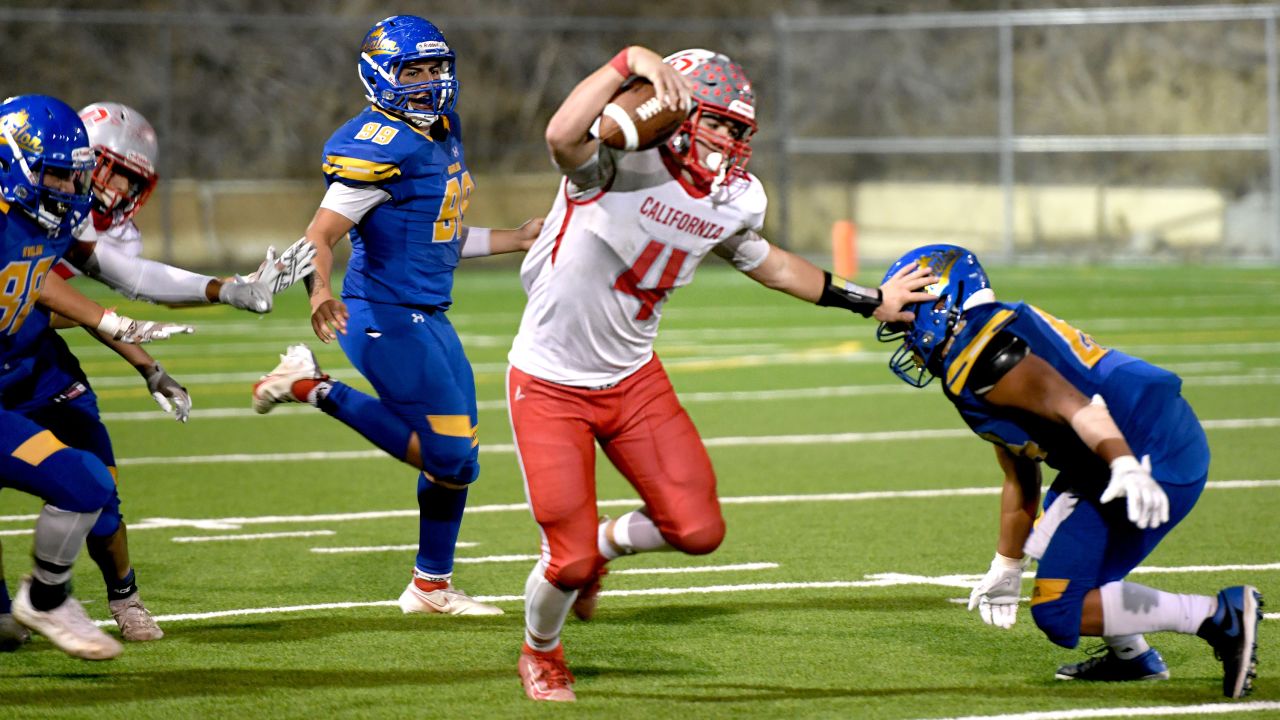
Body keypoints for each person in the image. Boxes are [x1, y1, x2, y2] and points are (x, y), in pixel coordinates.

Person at [505, 46, 939, 702]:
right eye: (720, 124)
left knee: (698, 529)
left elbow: (772, 265)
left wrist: (871, 300)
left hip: (632, 380)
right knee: (562, 563)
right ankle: (542, 652)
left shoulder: (733, 197)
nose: (731, 143)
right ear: (673, 110)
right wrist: (630, 62)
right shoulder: (617, 163)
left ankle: (604, 545)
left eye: (741, 131)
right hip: (549, 383)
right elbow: (561, 134)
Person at [874, 243, 1262, 699]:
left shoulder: (983, 351)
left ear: (941, 301)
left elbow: (1077, 408)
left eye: (906, 319)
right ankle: (1132, 657)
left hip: (1145, 451)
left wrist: (1125, 465)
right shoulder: (978, 340)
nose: (905, 335)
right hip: (1118, 450)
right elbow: (1019, 470)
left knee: (1058, 609)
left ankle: (1218, 615)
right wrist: (1007, 563)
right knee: (1049, 543)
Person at [251, 15, 540, 617]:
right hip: (380, 313)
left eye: (437, 68)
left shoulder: (442, 131)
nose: (431, 81)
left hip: (428, 313)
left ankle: (430, 586)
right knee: (449, 455)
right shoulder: (376, 144)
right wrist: (318, 292)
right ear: (381, 76)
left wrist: (515, 238)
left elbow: (434, 236)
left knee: (460, 463)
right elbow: (320, 234)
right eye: (415, 70)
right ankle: (312, 385)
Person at [0, 100, 314, 647]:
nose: (92, 189)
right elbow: (38, 286)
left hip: (30, 360)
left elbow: (130, 276)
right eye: (71, 172)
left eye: (83, 175)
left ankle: (97, 598)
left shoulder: (55, 212)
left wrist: (226, 290)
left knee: (92, 484)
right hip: (18, 356)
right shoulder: (22, 213)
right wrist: (110, 320)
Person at [0, 94, 192, 660]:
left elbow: (48, 279)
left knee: (89, 483)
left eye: (77, 177)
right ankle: (50, 599)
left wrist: (141, 346)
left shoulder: (37, 222)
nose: (72, 192)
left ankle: (62, 598)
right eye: (59, 176)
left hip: (30, 375)